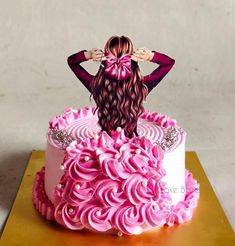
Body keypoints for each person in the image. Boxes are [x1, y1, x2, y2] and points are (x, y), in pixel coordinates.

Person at [67, 35, 175, 138]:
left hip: (108, 146)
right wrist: (151, 56)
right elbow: (168, 63)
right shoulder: (141, 86)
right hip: (132, 147)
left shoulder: (96, 84)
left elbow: (72, 62)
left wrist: (88, 55)